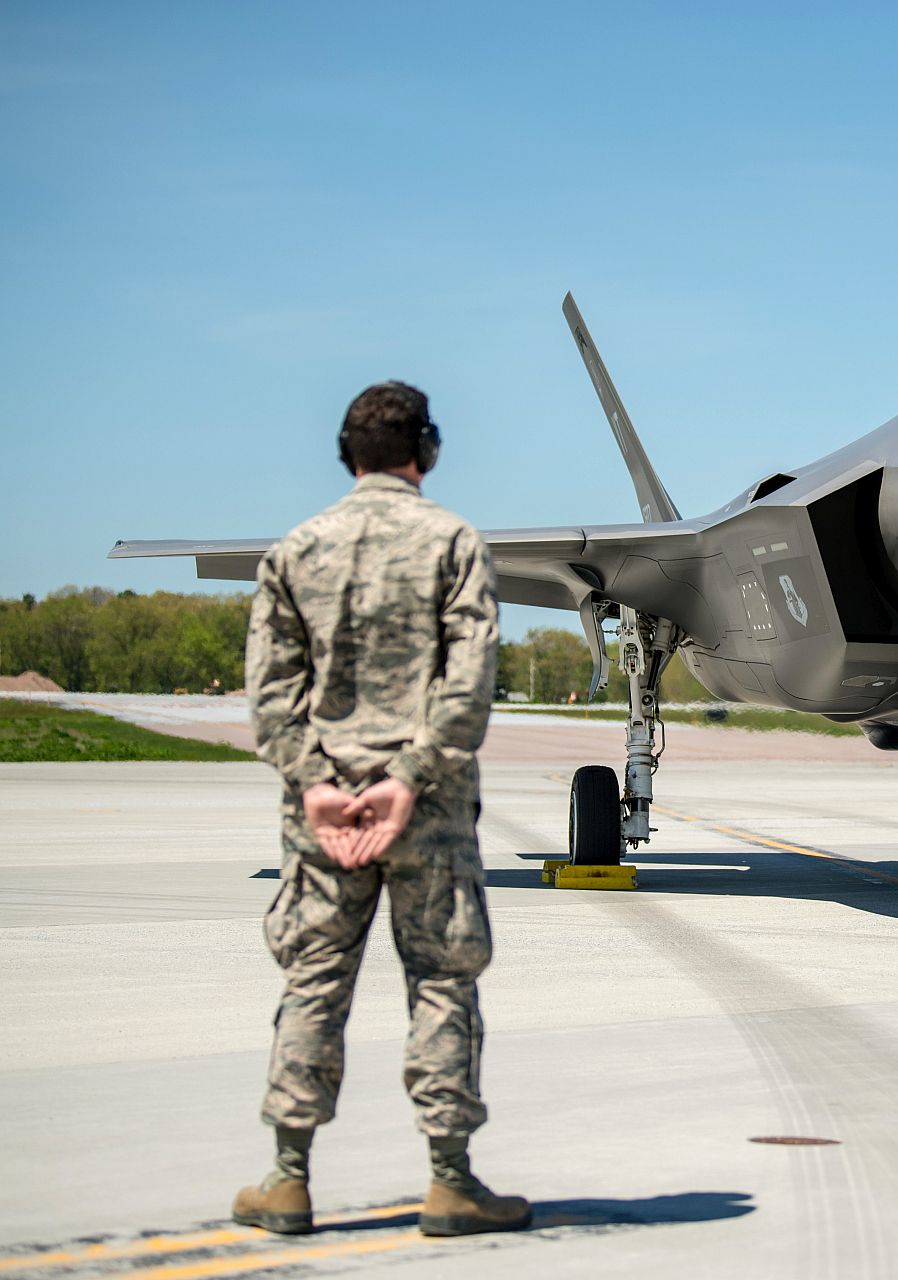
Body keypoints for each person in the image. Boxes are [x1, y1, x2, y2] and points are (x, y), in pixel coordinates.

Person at [232, 381, 526, 1237]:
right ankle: (451, 1182)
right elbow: (469, 682)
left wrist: (316, 782)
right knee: (441, 982)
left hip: (321, 813)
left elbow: (270, 692)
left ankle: (286, 1180)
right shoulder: (454, 544)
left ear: (345, 451)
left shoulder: (297, 549)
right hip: (426, 810)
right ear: (424, 450)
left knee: (313, 981)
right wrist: (411, 775)